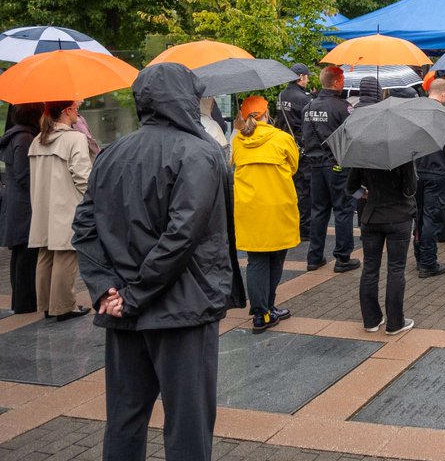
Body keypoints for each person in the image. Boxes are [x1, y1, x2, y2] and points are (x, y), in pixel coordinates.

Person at [72, 62, 246, 461]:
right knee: (187, 426)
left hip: (128, 307)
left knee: (125, 420)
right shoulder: (200, 153)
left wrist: (107, 290)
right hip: (179, 310)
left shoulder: (113, 152)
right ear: (184, 99)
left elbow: (84, 227)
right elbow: (181, 237)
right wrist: (124, 295)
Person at [231, 96, 300, 334]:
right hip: (278, 204)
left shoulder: (238, 141)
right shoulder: (282, 138)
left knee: (256, 260)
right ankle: (268, 307)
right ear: (266, 113)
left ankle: (261, 313)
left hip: (249, 208)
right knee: (276, 258)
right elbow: (293, 167)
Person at [28, 100, 92, 320]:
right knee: (66, 253)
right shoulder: (75, 138)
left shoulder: (38, 139)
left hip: (42, 205)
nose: (77, 112)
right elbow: (82, 175)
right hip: (66, 204)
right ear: (66, 112)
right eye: (75, 109)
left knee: (45, 254)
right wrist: (91, 200)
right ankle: (64, 306)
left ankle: (45, 305)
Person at [348, 159, 417, 335]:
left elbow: (351, 188)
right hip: (398, 216)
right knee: (396, 269)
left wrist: (367, 194)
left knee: (370, 268)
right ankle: (395, 322)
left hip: (371, 217)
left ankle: (371, 320)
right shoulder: (403, 154)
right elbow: (410, 190)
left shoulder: (364, 155)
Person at [302, 66, 359, 273]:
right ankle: (343, 257)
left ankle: (314, 256)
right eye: (342, 79)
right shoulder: (343, 108)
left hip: (314, 165)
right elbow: (351, 135)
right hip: (336, 165)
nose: (344, 82)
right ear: (336, 82)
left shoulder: (307, 107)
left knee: (318, 210)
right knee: (343, 209)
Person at [413, 77, 445, 278]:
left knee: (418, 216)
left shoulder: (415, 112)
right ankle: (428, 262)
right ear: (444, 94)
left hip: (416, 172)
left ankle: (419, 256)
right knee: (432, 217)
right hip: (438, 172)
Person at [0, 103, 43, 312]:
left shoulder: (15, 135)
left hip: (17, 203)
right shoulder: (24, 138)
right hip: (24, 205)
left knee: (20, 253)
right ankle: (25, 303)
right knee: (25, 253)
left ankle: (21, 301)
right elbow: (24, 173)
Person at [276, 63, 313, 241]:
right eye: (307, 76)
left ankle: (289, 223)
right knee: (304, 189)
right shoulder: (304, 99)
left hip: (284, 145)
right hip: (300, 146)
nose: (308, 79)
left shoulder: (282, 95)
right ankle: (304, 228)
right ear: (300, 77)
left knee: (289, 187)